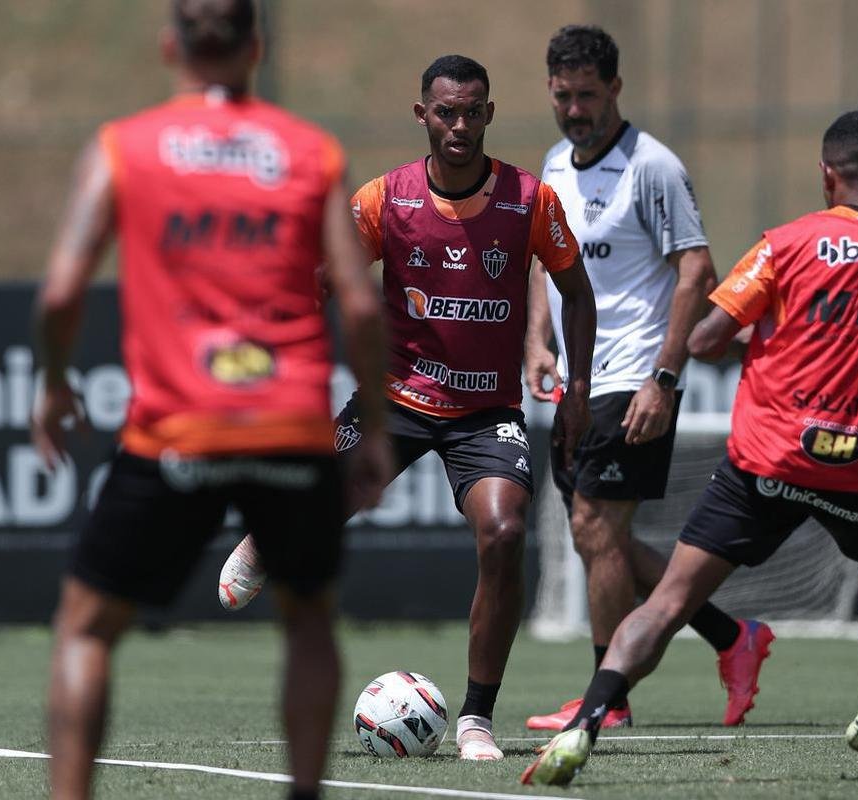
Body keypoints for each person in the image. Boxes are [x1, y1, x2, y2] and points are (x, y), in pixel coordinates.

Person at [522, 109, 858, 786]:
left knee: (669, 601)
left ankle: (585, 726)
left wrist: (753, 349)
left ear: (827, 176)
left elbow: (706, 340)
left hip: (766, 463)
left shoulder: (785, 244)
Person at [32, 3, 392, 800]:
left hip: (176, 433)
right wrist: (369, 420)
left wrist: (54, 381)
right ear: (256, 47)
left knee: (87, 629)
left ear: (171, 46)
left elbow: (60, 292)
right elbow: (362, 309)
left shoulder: (125, 147)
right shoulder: (311, 152)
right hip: (293, 428)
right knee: (306, 618)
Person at [216, 54, 597, 761]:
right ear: (423, 114)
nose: (459, 125)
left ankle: (477, 719)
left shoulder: (529, 200)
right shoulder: (383, 200)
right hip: (396, 399)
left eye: (473, 111)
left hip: (487, 411)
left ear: (489, 113)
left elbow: (577, 291)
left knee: (507, 532)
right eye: (446, 112)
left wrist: (576, 391)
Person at [522, 24, 774, 732]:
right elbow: (546, 259)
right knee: (599, 540)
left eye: (589, 96)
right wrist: (537, 344)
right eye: (564, 96)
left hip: (632, 374)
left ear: (616, 90)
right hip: (576, 381)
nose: (576, 110)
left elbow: (696, 268)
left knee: (594, 527)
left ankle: (612, 699)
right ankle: (732, 637)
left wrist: (663, 377)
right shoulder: (554, 165)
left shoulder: (652, 166)